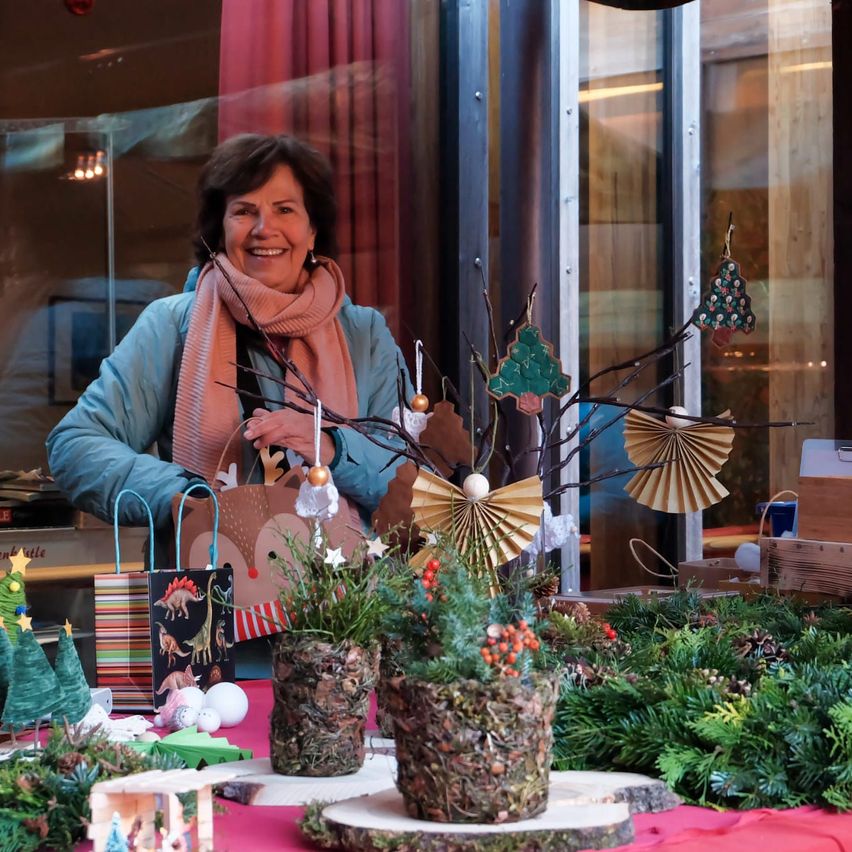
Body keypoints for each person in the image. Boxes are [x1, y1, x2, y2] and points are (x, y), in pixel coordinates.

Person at [46, 133, 410, 549]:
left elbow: (411, 481)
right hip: (209, 599)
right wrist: (181, 494)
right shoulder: (171, 325)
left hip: (347, 607)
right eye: (244, 211)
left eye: (285, 209)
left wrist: (330, 448)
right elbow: (75, 444)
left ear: (312, 231)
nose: (263, 228)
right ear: (219, 230)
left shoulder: (364, 334)